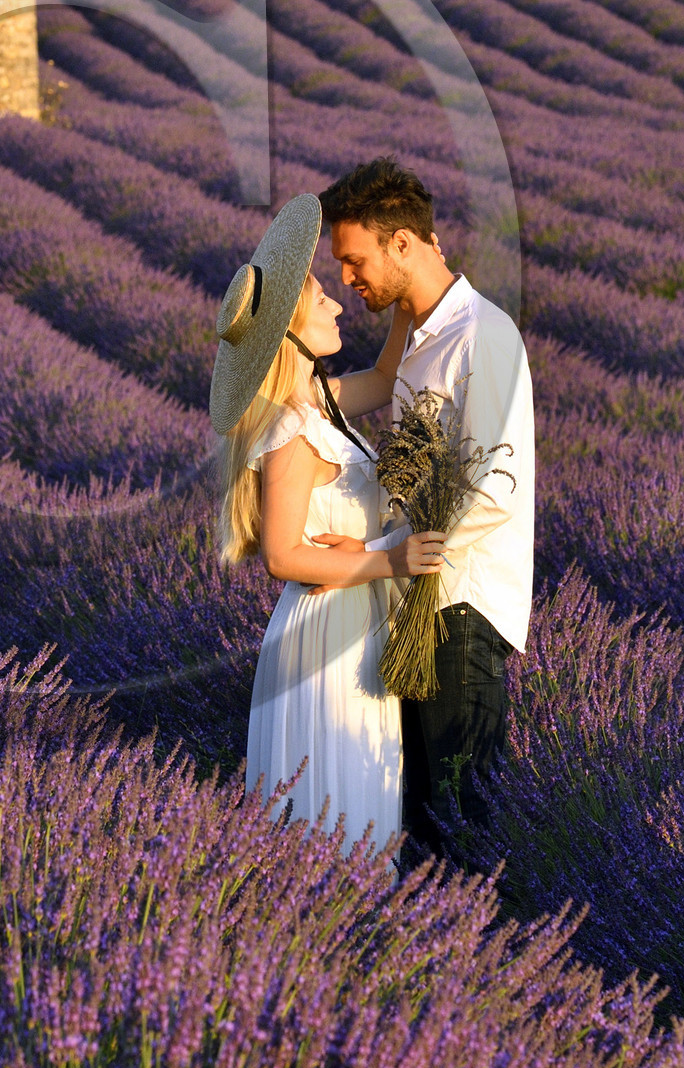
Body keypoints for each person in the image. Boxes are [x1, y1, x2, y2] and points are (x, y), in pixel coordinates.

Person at [211, 194, 447, 849]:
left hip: (349, 624)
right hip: (325, 639)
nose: (338, 306)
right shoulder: (290, 431)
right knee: (338, 811)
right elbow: (283, 557)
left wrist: (410, 290)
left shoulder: (315, 407)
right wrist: (389, 560)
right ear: (289, 331)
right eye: (321, 303)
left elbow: (384, 375)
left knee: (355, 808)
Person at [318, 159, 534, 854]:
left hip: (459, 610)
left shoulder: (483, 335)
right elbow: (381, 393)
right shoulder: (418, 333)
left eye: (355, 262)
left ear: (403, 244)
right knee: (421, 817)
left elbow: (489, 492)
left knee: (460, 826)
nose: (348, 281)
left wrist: (386, 556)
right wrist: (285, 395)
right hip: (417, 603)